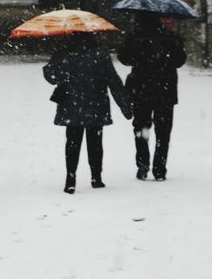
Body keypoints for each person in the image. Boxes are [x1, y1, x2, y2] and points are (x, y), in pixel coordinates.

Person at [43, 33, 132, 194]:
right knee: (95, 143)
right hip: (96, 103)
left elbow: (51, 77)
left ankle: (70, 179)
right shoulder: (100, 54)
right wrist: (125, 106)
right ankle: (96, 177)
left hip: (71, 105)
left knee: (72, 143)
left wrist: (55, 58)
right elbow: (113, 80)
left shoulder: (64, 52)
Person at [118, 12, 187, 181]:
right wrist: (178, 43)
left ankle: (142, 163)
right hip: (165, 89)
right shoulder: (170, 38)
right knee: (163, 131)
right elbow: (179, 61)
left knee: (141, 127)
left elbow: (124, 59)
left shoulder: (134, 37)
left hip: (141, 89)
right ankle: (159, 167)